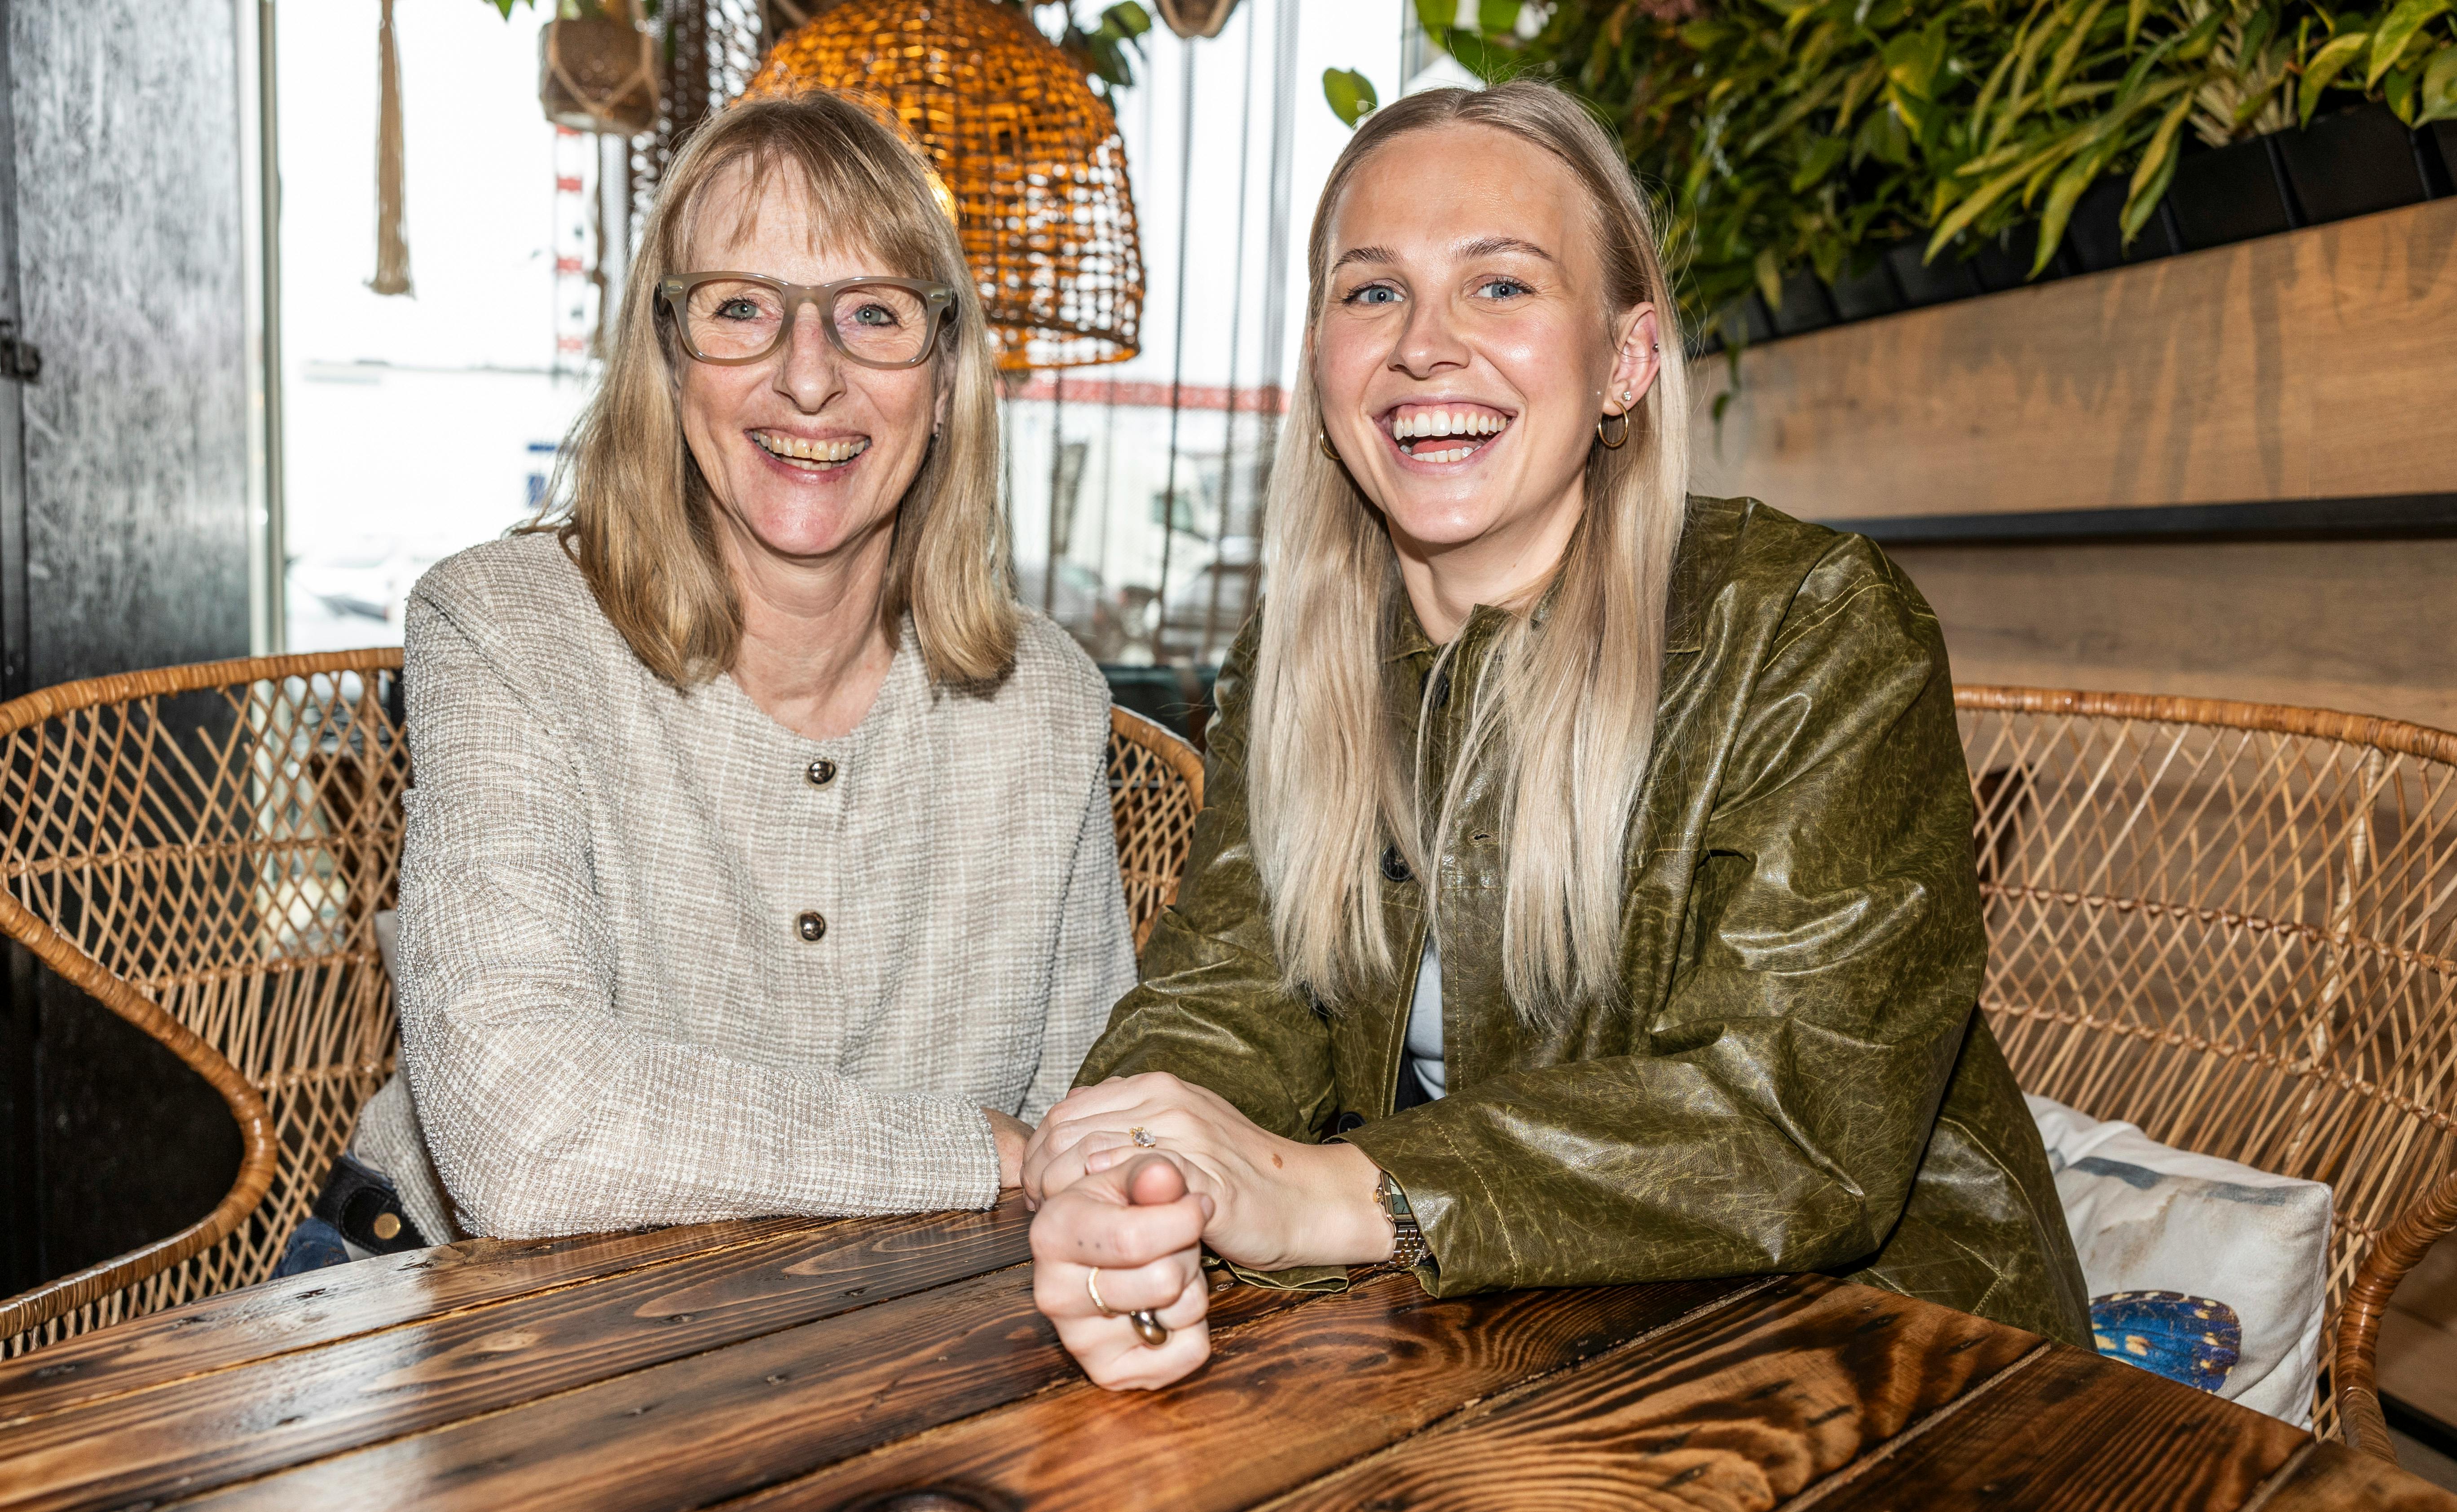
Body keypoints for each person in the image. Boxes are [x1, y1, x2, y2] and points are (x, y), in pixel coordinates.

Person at [1022, 81, 2091, 1390]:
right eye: (1373, 292)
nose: (1425, 346)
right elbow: (1229, 995)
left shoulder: (1810, 626)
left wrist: (1346, 1193)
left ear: (1626, 361)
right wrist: (1139, 1180)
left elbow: (1796, 1118)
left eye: (1502, 285)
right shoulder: (1292, 664)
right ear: (1321, 360)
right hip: (1495, 1344)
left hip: (1881, 1362)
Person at [280, 91, 1134, 1270]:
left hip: (876, 1315)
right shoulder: (504, 627)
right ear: (668, 359)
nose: (808, 377)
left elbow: (1089, 1135)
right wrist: (968, 1152)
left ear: (944, 379)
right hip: (454, 1304)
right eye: (741, 308)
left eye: (873, 314)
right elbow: (525, 1141)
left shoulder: (1048, 701)